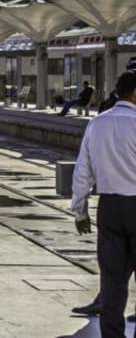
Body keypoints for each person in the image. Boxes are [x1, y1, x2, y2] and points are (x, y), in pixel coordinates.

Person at [71, 70, 136, 337]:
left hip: (109, 207)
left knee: (112, 277)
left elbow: (82, 171)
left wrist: (80, 212)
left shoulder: (97, 124)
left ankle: (112, 334)